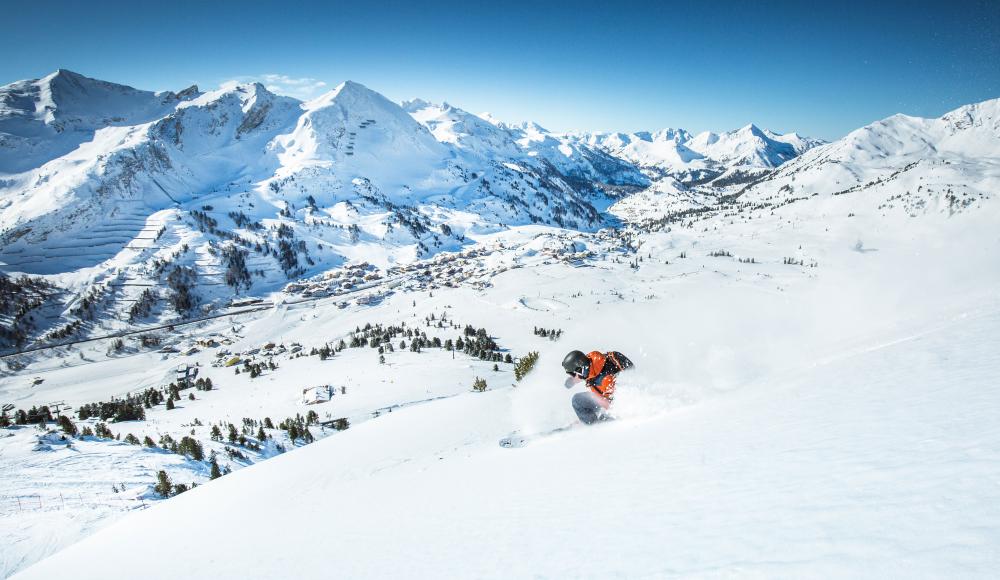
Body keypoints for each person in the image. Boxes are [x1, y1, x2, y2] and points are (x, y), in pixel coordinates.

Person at [562, 350, 634, 424]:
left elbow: (612, 405)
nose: (574, 377)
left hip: (619, 405)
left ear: (581, 369)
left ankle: (595, 426)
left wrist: (601, 413)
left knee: (577, 400)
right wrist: (572, 381)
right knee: (582, 400)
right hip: (607, 397)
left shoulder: (606, 378)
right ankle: (592, 420)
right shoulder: (591, 363)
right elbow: (587, 374)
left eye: (573, 374)